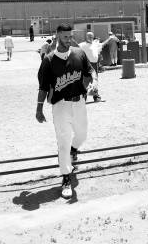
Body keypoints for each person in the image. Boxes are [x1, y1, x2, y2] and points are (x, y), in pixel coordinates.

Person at [36, 23, 94, 199]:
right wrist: (39, 109)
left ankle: (73, 150)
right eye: (65, 37)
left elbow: (89, 72)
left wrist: (92, 83)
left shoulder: (79, 53)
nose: (69, 40)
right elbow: (43, 87)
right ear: (58, 36)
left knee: (82, 136)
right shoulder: (49, 60)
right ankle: (66, 177)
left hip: (79, 103)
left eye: (71, 36)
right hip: (60, 105)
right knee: (63, 141)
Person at [78, 32, 103, 102]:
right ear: (86, 37)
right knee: (85, 81)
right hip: (86, 65)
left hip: (95, 65)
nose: (90, 38)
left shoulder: (95, 44)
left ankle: (96, 96)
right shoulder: (82, 45)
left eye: (92, 36)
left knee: (94, 81)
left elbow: (99, 49)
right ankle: (83, 97)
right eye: (89, 36)